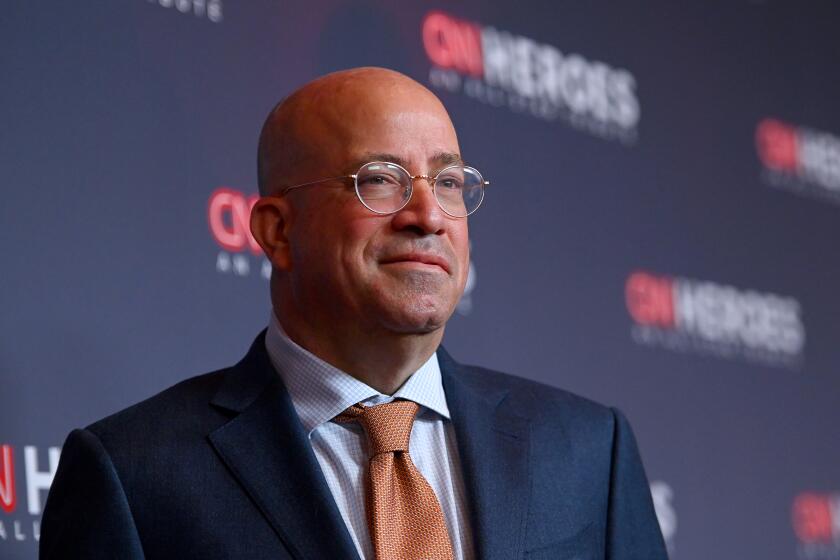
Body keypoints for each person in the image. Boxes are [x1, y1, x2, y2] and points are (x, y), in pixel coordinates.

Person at [40, 67, 668, 559]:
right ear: (277, 231)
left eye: (448, 182)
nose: (427, 215)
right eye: (381, 178)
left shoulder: (588, 450)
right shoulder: (132, 474)